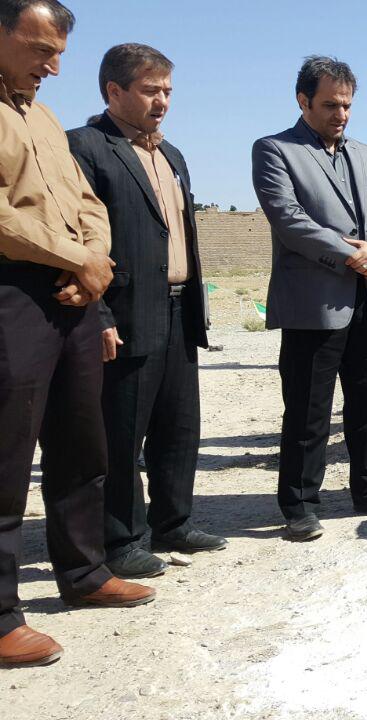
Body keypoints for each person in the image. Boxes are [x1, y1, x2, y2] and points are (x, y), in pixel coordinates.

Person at [0, 0, 155, 669]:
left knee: (80, 440)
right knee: (6, 455)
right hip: (13, 295)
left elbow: (87, 203)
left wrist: (93, 264)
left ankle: (85, 572)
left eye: (58, 50)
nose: (54, 66)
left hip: (74, 293)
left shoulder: (43, 115)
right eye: (39, 49)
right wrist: (74, 259)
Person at [66, 43, 226, 579]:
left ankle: (173, 522)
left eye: (168, 92)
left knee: (179, 425)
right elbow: (78, 239)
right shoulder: (86, 147)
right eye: (150, 90)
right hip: (127, 312)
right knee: (122, 430)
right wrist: (100, 316)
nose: (162, 101)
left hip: (180, 308)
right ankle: (121, 538)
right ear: (114, 92)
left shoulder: (171, 154)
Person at [252, 56, 367, 541]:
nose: (340, 114)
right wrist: (354, 256)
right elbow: (289, 219)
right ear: (302, 101)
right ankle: (300, 504)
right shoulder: (275, 150)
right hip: (314, 303)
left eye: (346, 104)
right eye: (329, 104)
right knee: (307, 411)